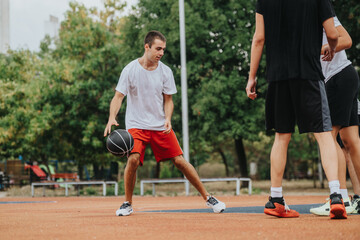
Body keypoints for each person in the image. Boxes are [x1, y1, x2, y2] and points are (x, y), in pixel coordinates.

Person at [104, 30, 225, 216]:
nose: (161, 53)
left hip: (160, 124)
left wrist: (168, 118)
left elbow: (168, 100)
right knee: (133, 159)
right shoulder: (130, 70)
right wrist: (112, 116)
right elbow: (118, 96)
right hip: (136, 124)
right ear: (147, 47)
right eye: (158, 49)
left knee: (180, 161)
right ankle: (127, 203)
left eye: (163, 49)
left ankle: (208, 198)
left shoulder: (165, 71)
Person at [246, 0, 346, 219]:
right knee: (324, 135)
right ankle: (336, 196)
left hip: (278, 75)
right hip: (308, 73)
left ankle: (276, 199)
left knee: (281, 137)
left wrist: (252, 77)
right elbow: (332, 32)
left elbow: (259, 38)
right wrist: (330, 46)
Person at [310, 18, 360, 216]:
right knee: (350, 141)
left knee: (329, 138)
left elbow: (346, 39)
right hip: (346, 77)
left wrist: (323, 48)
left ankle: (341, 198)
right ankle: (354, 196)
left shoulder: (322, 12)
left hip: (338, 77)